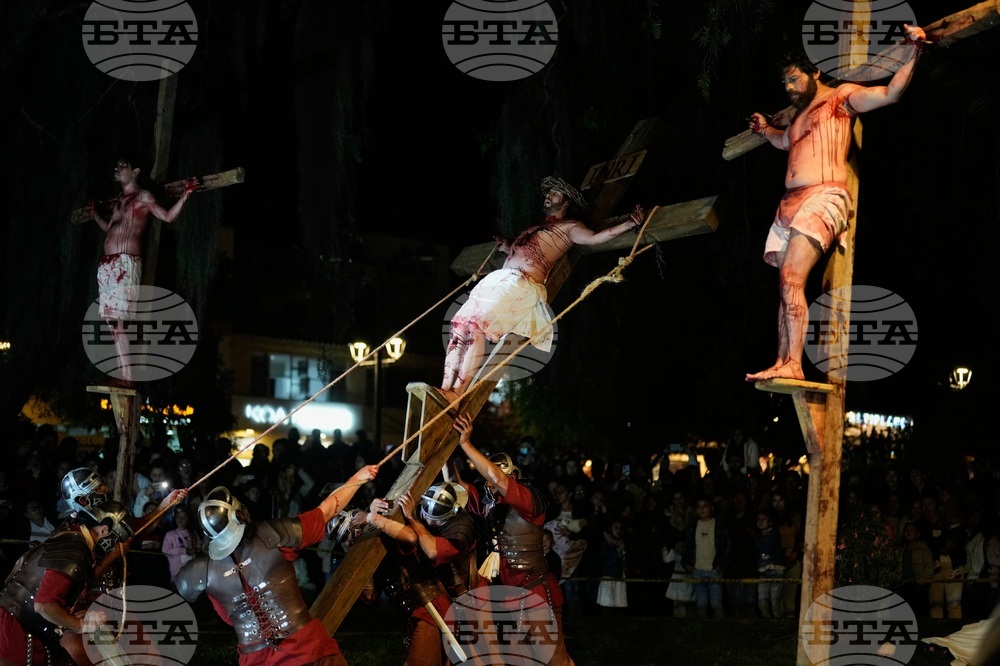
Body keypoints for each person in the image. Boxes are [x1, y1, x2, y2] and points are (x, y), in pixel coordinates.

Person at [744, 25, 927, 382]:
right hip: (789, 205)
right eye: (785, 83)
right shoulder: (798, 117)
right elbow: (785, 143)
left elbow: (889, 93)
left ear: (814, 72)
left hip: (824, 195)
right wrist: (765, 129)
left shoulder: (840, 97)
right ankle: (783, 362)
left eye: (794, 79)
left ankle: (795, 364)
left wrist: (914, 50)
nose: (789, 87)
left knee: (792, 276)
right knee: (784, 286)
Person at [440, 177, 645, 399]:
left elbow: (595, 238)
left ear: (566, 202)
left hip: (521, 284)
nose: (548, 195)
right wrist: (506, 247)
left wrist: (629, 224)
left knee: (477, 326)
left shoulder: (570, 227)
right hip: (498, 280)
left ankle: (458, 392)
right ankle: (445, 389)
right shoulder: (536, 226)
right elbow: (524, 251)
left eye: (555, 193)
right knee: (459, 325)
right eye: (548, 192)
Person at [173, 463, 379, 665]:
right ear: (240, 514)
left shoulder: (206, 572)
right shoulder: (273, 535)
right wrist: (357, 479)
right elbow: (325, 512)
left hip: (255, 659)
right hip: (306, 650)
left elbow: (228, 618)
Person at [452, 413, 574, 665]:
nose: (491, 484)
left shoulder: (528, 499)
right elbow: (457, 487)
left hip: (535, 592)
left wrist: (466, 444)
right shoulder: (491, 503)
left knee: (555, 662)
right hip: (508, 597)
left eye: (493, 478)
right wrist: (447, 447)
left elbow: (497, 479)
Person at [85, 155, 200, 384]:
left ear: (136, 171)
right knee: (110, 321)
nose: (117, 168)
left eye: (123, 165)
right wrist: (95, 214)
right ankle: (122, 373)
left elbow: (167, 216)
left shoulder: (143, 196)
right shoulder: (120, 199)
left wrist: (186, 194)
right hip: (108, 264)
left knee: (119, 319)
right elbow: (110, 227)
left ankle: (127, 376)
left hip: (125, 263)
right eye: (116, 164)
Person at [359, 482, 480, 665]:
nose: (428, 521)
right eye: (425, 514)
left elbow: (430, 550)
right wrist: (375, 508)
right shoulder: (419, 512)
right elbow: (369, 595)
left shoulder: (461, 528)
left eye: (435, 520)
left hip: (464, 598)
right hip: (429, 602)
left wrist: (411, 519)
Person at [0, 501, 134, 666]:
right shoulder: (75, 549)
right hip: (14, 631)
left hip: (28, 628)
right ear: (104, 530)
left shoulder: (71, 533)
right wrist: (81, 625)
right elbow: (44, 605)